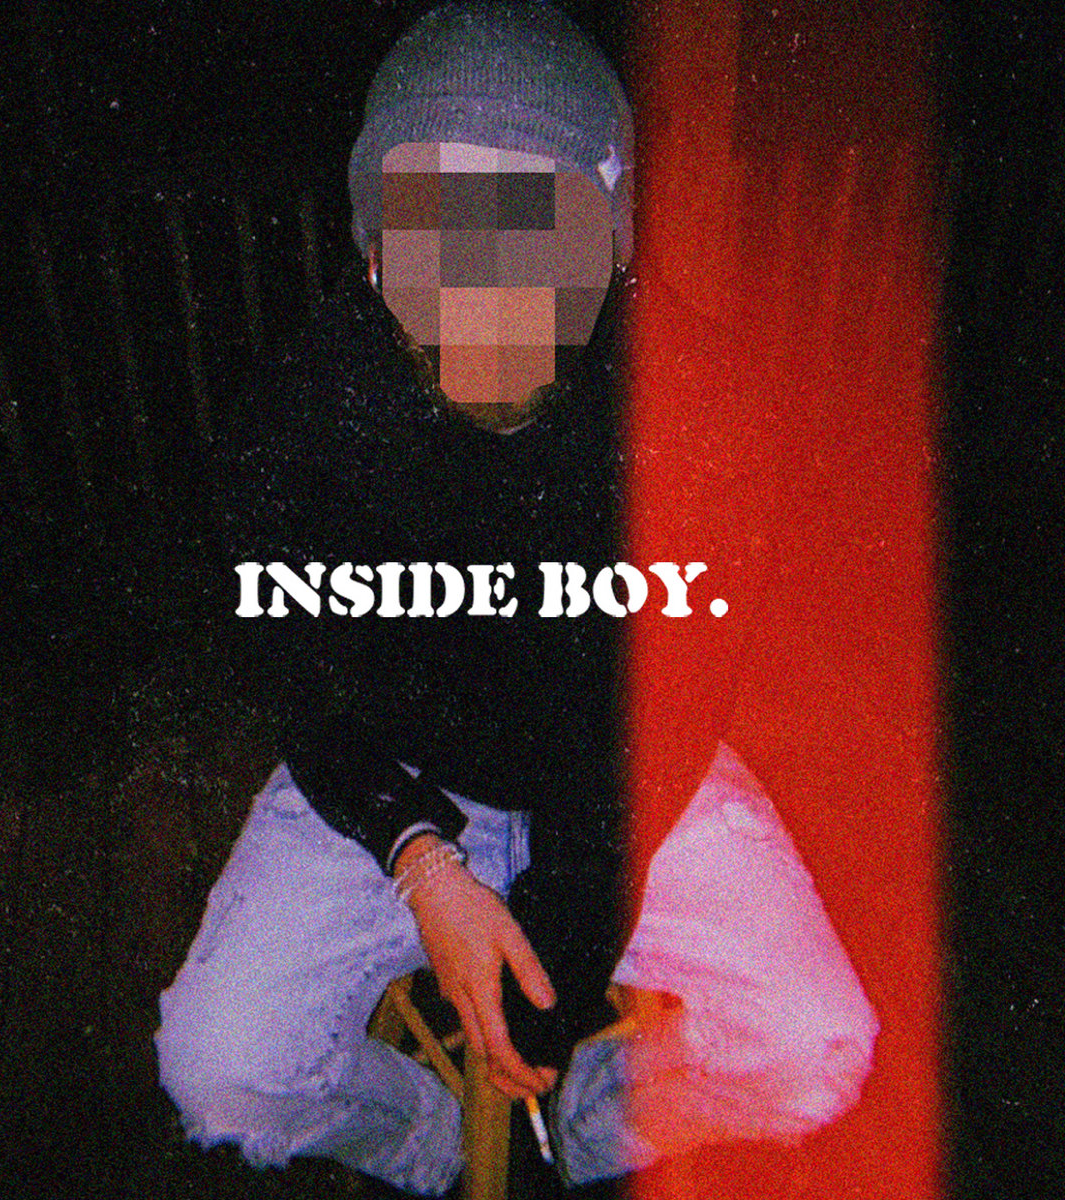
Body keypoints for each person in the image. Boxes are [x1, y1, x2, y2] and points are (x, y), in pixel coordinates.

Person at [154, 4, 879, 1194]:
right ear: (377, 249)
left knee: (819, 1048)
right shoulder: (294, 419)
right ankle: (436, 1150)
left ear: (612, 244)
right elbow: (307, 683)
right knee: (218, 1069)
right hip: (394, 760)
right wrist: (421, 860)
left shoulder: (704, 412)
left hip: (622, 771)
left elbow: (660, 721)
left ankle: (576, 1138)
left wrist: (557, 976)